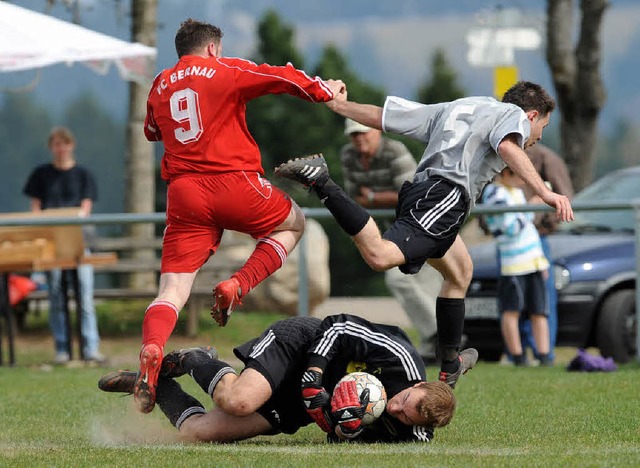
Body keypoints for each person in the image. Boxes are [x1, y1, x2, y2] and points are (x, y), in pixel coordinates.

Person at [275, 81, 574, 387]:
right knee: (379, 255)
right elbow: (508, 146)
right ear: (532, 115)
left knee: (460, 273)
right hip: (445, 197)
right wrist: (545, 193)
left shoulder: (460, 106)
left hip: (424, 193)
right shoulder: (511, 114)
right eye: (542, 127)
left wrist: (339, 106)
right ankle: (322, 182)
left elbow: (383, 117)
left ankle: (449, 364)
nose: (537, 136)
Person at [137, 18, 345, 414]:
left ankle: (151, 351)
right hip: (232, 181)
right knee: (294, 223)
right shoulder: (225, 68)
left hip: (184, 193)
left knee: (172, 290)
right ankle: (238, 284)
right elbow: (281, 77)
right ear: (213, 48)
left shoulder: (161, 83)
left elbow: (151, 131)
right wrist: (324, 90)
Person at [99, 313, 472, 443]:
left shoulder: (410, 428)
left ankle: (157, 384)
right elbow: (338, 326)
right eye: (407, 402)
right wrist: (314, 374)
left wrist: (344, 428)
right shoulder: (399, 356)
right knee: (237, 400)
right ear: (419, 384)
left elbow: (343, 435)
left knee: (198, 433)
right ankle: (197, 358)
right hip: (302, 347)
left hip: (301, 405)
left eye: (408, 416)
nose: (398, 409)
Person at [340, 118, 442, 363]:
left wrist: (374, 196)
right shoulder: (348, 155)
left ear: (377, 131)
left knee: (400, 280)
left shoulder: (395, 150)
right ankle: (438, 345)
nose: (359, 138)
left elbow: (410, 193)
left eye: (364, 133)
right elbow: (354, 196)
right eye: (354, 135)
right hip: (395, 230)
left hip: (422, 222)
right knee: (422, 290)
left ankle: (442, 337)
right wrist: (380, 199)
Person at [22, 126, 105, 364]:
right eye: (56, 145)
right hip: (51, 242)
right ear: (51, 147)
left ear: (71, 146)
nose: (61, 149)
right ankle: (62, 347)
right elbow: (36, 207)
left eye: (64, 144)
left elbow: (86, 208)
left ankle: (90, 347)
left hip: (78, 240)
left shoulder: (83, 175)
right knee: (56, 295)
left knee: (85, 296)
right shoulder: (40, 175)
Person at [481, 167, 551, 366]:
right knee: (511, 310)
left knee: (540, 310)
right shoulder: (494, 193)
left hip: (533, 260)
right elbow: (509, 227)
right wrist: (531, 208)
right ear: (504, 174)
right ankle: (518, 356)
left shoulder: (517, 192)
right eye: (518, 174)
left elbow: (526, 229)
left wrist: (541, 261)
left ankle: (544, 356)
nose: (523, 179)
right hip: (513, 263)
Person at [520, 144, 574, 364]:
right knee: (517, 301)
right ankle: (520, 354)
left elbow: (564, 195)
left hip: (536, 239)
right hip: (509, 241)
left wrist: (540, 221)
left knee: (541, 301)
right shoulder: (501, 150)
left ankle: (544, 354)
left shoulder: (546, 158)